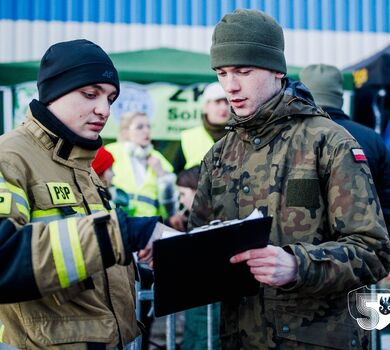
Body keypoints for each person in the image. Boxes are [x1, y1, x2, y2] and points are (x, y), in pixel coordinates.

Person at [189, 9, 390, 350]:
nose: (230, 86)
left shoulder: (328, 142)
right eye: (222, 73)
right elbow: (200, 247)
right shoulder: (219, 155)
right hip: (239, 339)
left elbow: (374, 250)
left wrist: (298, 265)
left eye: (243, 71)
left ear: (277, 70)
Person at [0, 39, 168, 350]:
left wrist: (143, 264)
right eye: (90, 94)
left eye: (111, 98)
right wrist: (125, 234)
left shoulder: (84, 167)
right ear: (53, 93)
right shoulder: (9, 157)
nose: (104, 110)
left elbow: (86, 258)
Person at [300, 63, 390, 234]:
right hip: (363, 249)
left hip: (306, 253)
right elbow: (386, 202)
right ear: (339, 98)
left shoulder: (293, 138)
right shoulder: (372, 139)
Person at [175, 166, 221, 350]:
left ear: (197, 191)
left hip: (207, 300)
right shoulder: (197, 218)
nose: (181, 200)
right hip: (198, 298)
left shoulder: (213, 221)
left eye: (182, 194)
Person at [106, 111, 177, 219]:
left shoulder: (159, 159)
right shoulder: (111, 151)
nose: (146, 131)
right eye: (140, 127)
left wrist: (162, 174)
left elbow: (170, 209)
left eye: (148, 126)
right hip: (117, 220)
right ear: (125, 132)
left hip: (149, 224)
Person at [173, 81, 230, 173]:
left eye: (227, 102)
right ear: (206, 106)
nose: (223, 107)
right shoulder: (189, 137)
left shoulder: (242, 135)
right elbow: (176, 176)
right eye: (217, 102)